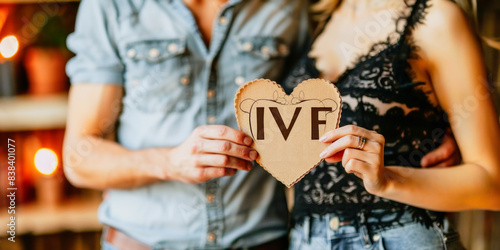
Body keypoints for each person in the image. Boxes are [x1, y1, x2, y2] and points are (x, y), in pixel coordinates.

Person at [63, 0, 461, 249]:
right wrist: (169, 162)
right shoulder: (110, 6)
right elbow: (79, 159)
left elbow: (339, 81)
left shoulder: (295, 7)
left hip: (266, 242)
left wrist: (435, 123)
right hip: (141, 243)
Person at [285, 0, 500, 249]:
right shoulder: (312, 18)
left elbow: (493, 183)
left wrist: (389, 179)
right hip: (305, 239)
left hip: (398, 238)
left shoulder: (437, 18)